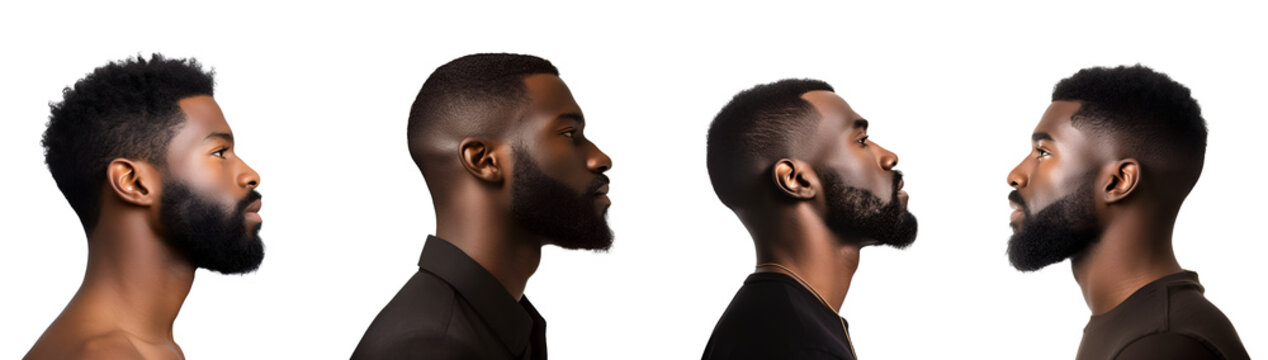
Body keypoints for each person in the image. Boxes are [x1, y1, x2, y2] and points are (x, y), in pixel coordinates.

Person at [352, 53, 613, 360]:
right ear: (484, 161)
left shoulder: (503, 327)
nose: (600, 158)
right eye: (569, 134)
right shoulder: (429, 347)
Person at [25, 54, 264, 359]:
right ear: (133, 182)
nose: (250, 175)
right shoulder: (105, 355)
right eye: (219, 153)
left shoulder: (150, 348)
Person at [1006, 65, 1249, 359]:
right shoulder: (1139, 325)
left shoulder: (1162, 344)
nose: (1016, 175)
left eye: (1043, 153)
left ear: (1119, 181)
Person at [701, 79, 917, 360]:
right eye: (861, 141)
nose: (889, 157)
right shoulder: (803, 346)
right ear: (796, 179)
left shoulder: (766, 321)